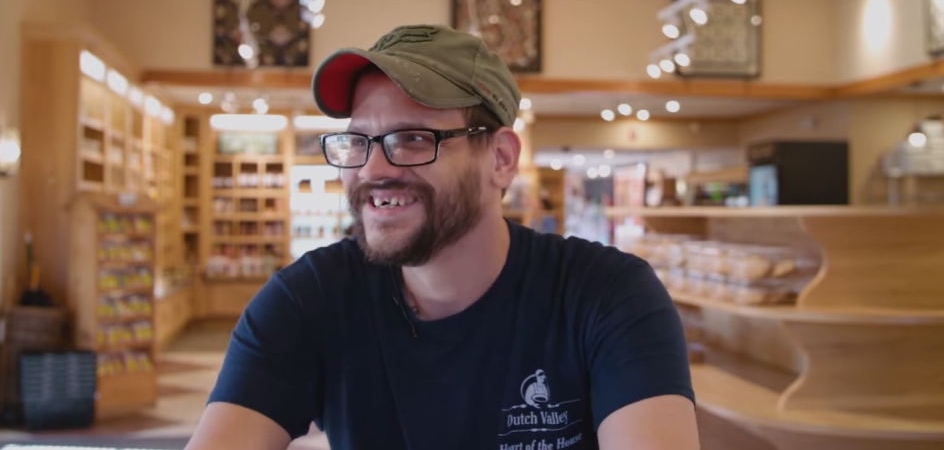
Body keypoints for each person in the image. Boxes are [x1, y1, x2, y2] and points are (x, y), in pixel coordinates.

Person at [186, 24, 699, 450]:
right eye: (358, 140)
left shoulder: (607, 295)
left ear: (500, 159)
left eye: (413, 138)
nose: (373, 168)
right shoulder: (308, 300)